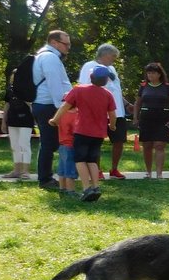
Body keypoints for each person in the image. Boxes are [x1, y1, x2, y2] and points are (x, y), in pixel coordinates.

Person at [49, 65, 117, 201]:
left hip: (82, 131)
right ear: (106, 80)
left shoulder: (79, 90)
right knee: (92, 160)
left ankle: (87, 188)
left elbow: (65, 106)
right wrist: (112, 125)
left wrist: (55, 119)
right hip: (98, 133)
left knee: (80, 159)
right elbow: (112, 114)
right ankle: (96, 186)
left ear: (91, 77)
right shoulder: (108, 94)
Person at [32, 30, 74, 189]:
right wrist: (64, 108)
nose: (68, 47)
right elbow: (55, 85)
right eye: (66, 44)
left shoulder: (45, 56)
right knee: (49, 144)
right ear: (54, 42)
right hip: (49, 105)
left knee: (49, 143)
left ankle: (48, 177)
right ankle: (45, 179)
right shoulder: (50, 58)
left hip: (45, 104)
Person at [79, 43, 127, 179]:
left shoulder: (112, 68)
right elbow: (85, 88)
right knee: (96, 142)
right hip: (99, 112)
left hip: (118, 111)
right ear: (105, 55)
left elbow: (116, 89)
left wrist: (126, 103)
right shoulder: (89, 66)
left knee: (119, 140)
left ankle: (114, 169)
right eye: (113, 56)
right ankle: (97, 170)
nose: (114, 59)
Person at [132, 62, 169, 179]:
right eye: (148, 73)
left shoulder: (167, 87)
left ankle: (159, 173)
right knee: (147, 145)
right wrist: (135, 117)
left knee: (159, 145)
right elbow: (138, 103)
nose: (150, 75)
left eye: (153, 73)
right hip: (146, 118)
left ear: (159, 74)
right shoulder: (143, 86)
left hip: (163, 118)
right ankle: (148, 172)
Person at [0, 90, 35, 180]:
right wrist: (4, 121)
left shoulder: (28, 89)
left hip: (26, 121)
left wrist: (35, 117)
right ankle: (17, 171)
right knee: (15, 146)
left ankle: (26, 171)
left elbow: (32, 105)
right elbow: (7, 105)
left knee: (24, 145)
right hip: (12, 121)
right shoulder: (10, 90)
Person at [55, 106, 78, 197]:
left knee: (62, 169)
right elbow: (75, 131)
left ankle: (62, 188)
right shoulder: (75, 115)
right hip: (71, 145)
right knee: (70, 169)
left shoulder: (61, 114)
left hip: (62, 144)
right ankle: (71, 191)